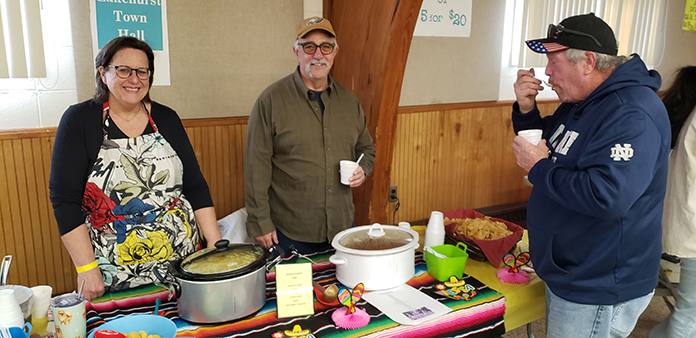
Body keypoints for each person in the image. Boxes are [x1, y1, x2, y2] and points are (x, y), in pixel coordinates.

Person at [510, 13, 670, 338]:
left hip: (597, 280)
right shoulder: (582, 100)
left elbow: (605, 196)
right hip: (570, 268)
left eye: (554, 62)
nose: (547, 72)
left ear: (588, 62)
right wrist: (526, 110)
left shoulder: (631, 112)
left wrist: (539, 168)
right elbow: (547, 148)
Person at [49, 36, 222, 300]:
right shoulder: (80, 120)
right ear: (103, 73)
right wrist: (86, 268)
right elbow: (64, 200)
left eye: (142, 71)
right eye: (123, 70)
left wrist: (213, 243)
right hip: (114, 269)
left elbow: (195, 186)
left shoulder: (166, 118)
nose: (135, 79)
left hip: (183, 263)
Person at [244, 17, 376, 255]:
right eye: (309, 46)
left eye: (325, 46)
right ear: (296, 51)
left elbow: (366, 149)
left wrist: (362, 170)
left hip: (342, 229)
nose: (318, 54)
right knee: (296, 294)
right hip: (289, 231)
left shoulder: (349, 102)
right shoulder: (271, 101)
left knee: (344, 292)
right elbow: (256, 167)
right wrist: (259, 222)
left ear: (335, 52)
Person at [649, 66, 696, 338]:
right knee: (691, 311)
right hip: (690, 228)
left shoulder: (685, 115)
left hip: (680, 223)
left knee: (689, 306)